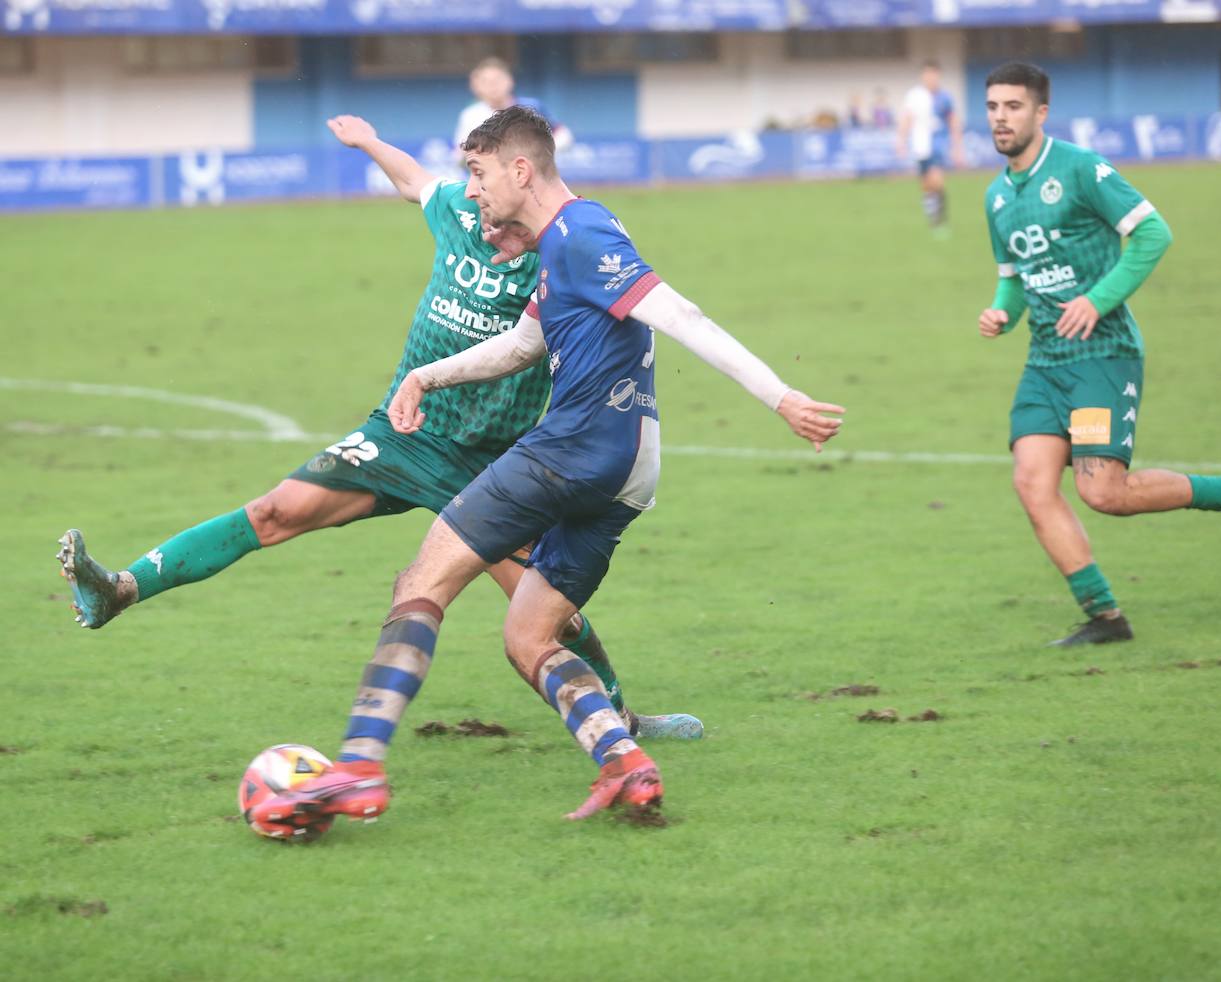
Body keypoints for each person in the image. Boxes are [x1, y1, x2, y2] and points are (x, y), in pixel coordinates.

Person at [250, 105, 845, 834]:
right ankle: (625, 763)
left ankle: (360, 768)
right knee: (529, 637)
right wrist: (426, 377)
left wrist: (782, 397)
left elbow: (681, 315)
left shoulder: (582, 233)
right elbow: (522, 345)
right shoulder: (562, 244)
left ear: (521, 169)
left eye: (478, 173)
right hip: (630, 472)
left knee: (421, 583)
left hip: (572, 449)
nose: (472, 190)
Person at [57, 112, 700, 741]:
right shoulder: (457, 209)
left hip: (493, 464)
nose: (474, 196)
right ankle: (121, 589)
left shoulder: (555, 250)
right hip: (404, 434)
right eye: (471, 182)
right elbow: (414, 179)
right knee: (275, 511)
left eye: (482, 181)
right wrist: (368, 142)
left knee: (547, 611)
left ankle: (622, 720)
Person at [977, 61, 1221, 647]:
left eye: (1013, 106)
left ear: (1041, 112)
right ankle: (1105, 618)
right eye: (993, 106)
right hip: (1044, 364)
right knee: (1032, 484)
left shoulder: (1079, 168)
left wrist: (1097, 300)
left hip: (1101, 356)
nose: (1001, 117)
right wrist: (1001, 312)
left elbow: (1152, 233)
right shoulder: (997, 196)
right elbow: (1014, 280)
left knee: (1104, 493)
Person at [453, 57, 572, 162]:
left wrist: (539, 152)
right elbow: (460, 153)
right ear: (476, 86)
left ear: (510, 81)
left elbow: (563, 135)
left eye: (497, 80)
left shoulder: (530, 107)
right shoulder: (470, 115)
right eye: (486, 81)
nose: (492, 86)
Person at [896, 62, 964, 233]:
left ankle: (941, 220)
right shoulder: (915, 96)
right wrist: (901, 141)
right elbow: (907, 118)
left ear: (938, 76)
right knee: (926, 185)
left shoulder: (945, 97)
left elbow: (953, 121)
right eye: (927, 74)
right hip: (920, 145)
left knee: (937, 180)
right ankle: (934, 220)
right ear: (923, 76)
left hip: (938, 144)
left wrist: (957, 146)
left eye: (933, 74)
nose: (930, 78)